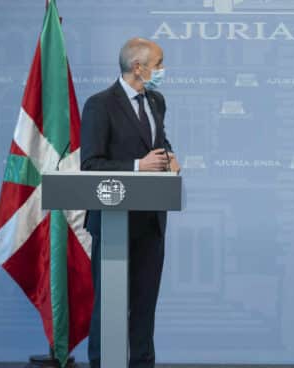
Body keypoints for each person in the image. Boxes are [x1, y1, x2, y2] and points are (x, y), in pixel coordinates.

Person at [80, 37, 180, 368]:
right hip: (113, 222)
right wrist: (139, 166)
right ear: (138, 67)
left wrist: (170, 156)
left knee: (144, 305)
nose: (163, 70)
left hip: (151, 221)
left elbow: (157, 141)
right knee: (109, 306)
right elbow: (90, 164)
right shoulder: (100, 104)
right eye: (159, 63)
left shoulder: (157, 101)